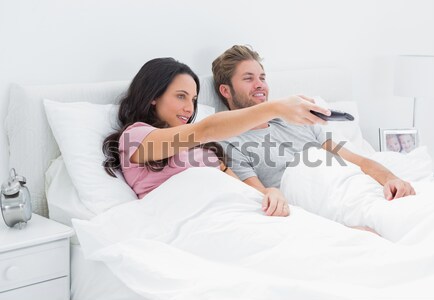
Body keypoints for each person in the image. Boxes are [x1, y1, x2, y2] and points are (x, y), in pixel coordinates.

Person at [102, 57, 331, 217]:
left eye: (192, 100)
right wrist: (275, 108)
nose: (189, 108)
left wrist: (270, 193)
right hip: (195, 221)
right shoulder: (135, 137)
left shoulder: (205, 148)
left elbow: (246, 191)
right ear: (153, 97)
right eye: (181, 96)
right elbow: (205, 128)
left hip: (237, 212)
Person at [211, 45, 416, 206]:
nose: (260, 85)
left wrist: (391, 179)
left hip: (356, 189)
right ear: (226, 91)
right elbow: (263, 197)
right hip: (319, 206)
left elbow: (358, 162)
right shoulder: (231, 144)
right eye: (248, 78)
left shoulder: (301, 123)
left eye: (262, 78)